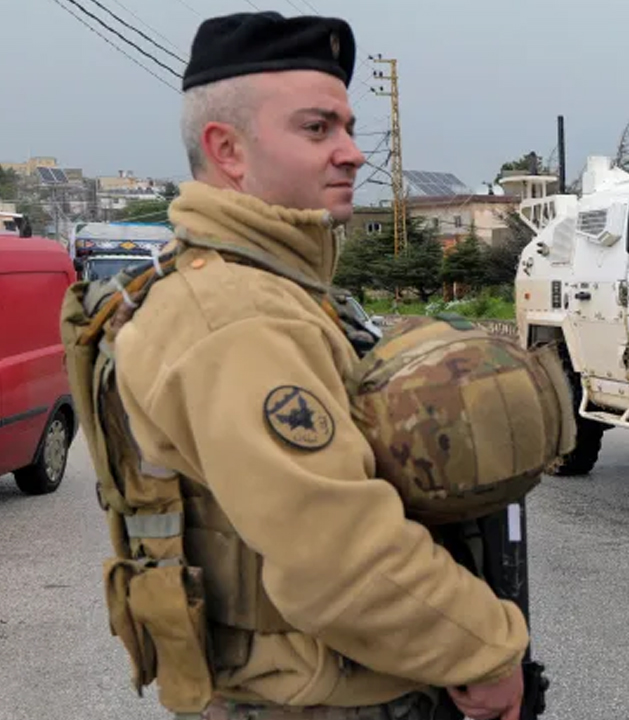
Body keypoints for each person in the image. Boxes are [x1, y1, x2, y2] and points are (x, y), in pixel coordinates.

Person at [61, 11, 535, 720]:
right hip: (317, 702)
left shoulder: (269, 288)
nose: (352, 153)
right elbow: (336, 556)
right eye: (318, 129)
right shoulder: (235, 315)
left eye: (346, 127)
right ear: (228, 149)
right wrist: (487, 653)